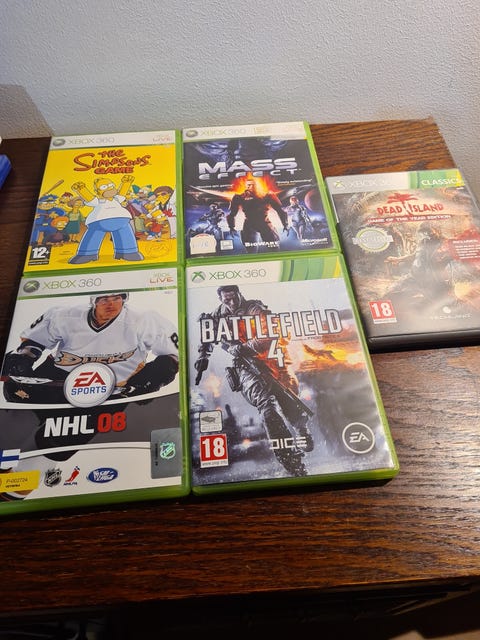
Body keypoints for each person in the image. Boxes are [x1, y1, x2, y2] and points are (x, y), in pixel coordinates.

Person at [193, 284, 313, 477]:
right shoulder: (217, 315)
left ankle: (301, 429)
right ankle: (292, 462)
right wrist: (203, 356)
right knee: (267, 408)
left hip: (272, 361)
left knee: (290, 400)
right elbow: (208, 337)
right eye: (227, 299)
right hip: (246, 367)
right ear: (221, 299)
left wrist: (242, 348)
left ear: (240, 295)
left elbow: (268, 335)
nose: (232, 303)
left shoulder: (254, 309)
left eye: (234, 298)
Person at [2, 292, 179, 405]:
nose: (111, 304)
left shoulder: (144, 320)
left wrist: (151, 379)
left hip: (114, 386)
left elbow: (174, 357)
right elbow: (32, 343)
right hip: (58, 375)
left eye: (117, 298)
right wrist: (21, 360)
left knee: (57, 445)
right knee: (17, 402)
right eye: (105, 299)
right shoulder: (64, 315)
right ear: (94, 301)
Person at [68, 175, 144, 264]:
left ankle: (128, 252)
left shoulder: (116, 199)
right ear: (97, 191)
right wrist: (81, 189)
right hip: (100, 221)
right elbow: (90, 198)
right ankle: (87, 254)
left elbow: (122, 193)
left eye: (111, 186)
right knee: (93, 235)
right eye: (104, 187)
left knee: (125, 234)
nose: (109, 188)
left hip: (121, 220)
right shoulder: (98, 201)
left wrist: (126, 183)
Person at [384, 222, 456, 312]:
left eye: (429, 231)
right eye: (424, 232)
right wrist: (399, 259)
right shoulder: (424, 241)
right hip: (414, 276)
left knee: (438, 306)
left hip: (433, 282)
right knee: (390, 293)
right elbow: (415, 255)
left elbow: (450, 263)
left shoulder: (447, 243)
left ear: (437, 229)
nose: (427, 234)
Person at [226, 179, 289, 253]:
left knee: (274, 248)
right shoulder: (240, 197)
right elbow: (232, 214)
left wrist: (285, 225)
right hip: (249, 225)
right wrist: (231, 227)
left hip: (264, 223)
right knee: (251, 250)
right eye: (248, 185)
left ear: (256, 186)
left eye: (252, 185)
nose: (250, 186)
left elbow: (280, 211)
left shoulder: (267, 195)